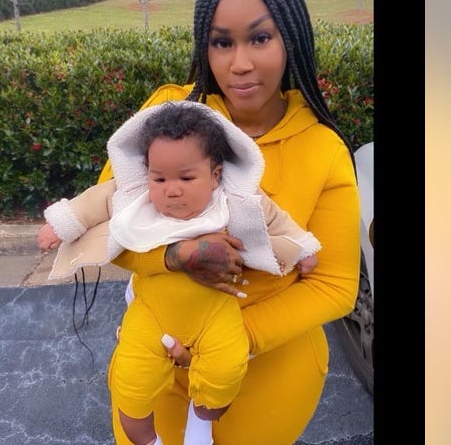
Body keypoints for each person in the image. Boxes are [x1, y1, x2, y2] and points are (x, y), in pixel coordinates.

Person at [96, 0, 361, 444]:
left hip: (270, 361)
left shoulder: (322, 149)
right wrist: (176, 257)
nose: (239, 63)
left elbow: (334, 285)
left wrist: (234, 340)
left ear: (291, 39)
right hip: (159, 348)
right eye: (222, 42)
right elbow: (108, 228)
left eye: (259, 38)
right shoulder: (169, 116)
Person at [38, 100, 321, 445]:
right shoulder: (136, 199)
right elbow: (93, 202)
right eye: (159, 178)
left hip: (215, 311)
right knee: (131, 378)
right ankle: (147, 440)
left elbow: (277, 221)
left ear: (215, 174)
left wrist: (303, 248)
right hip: (152, 311)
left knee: (226, 370)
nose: (171, 189)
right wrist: (60, 225)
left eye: (186, 177)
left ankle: (202, 418)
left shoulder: (234, 202)